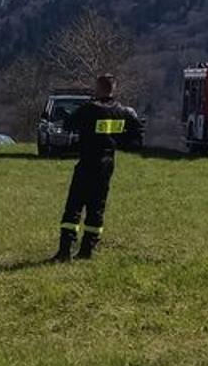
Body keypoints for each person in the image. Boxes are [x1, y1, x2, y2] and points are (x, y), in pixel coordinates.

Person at [51, 74, 142, 262]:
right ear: (113, 89)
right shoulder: (122, 112)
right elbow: (136, 134)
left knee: (74, 206)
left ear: (98, 88)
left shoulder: (89, 109)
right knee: (97, 207)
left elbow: (69, 124)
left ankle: (65, 250)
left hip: (87, 161)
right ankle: (87, 250)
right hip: (107, 164)